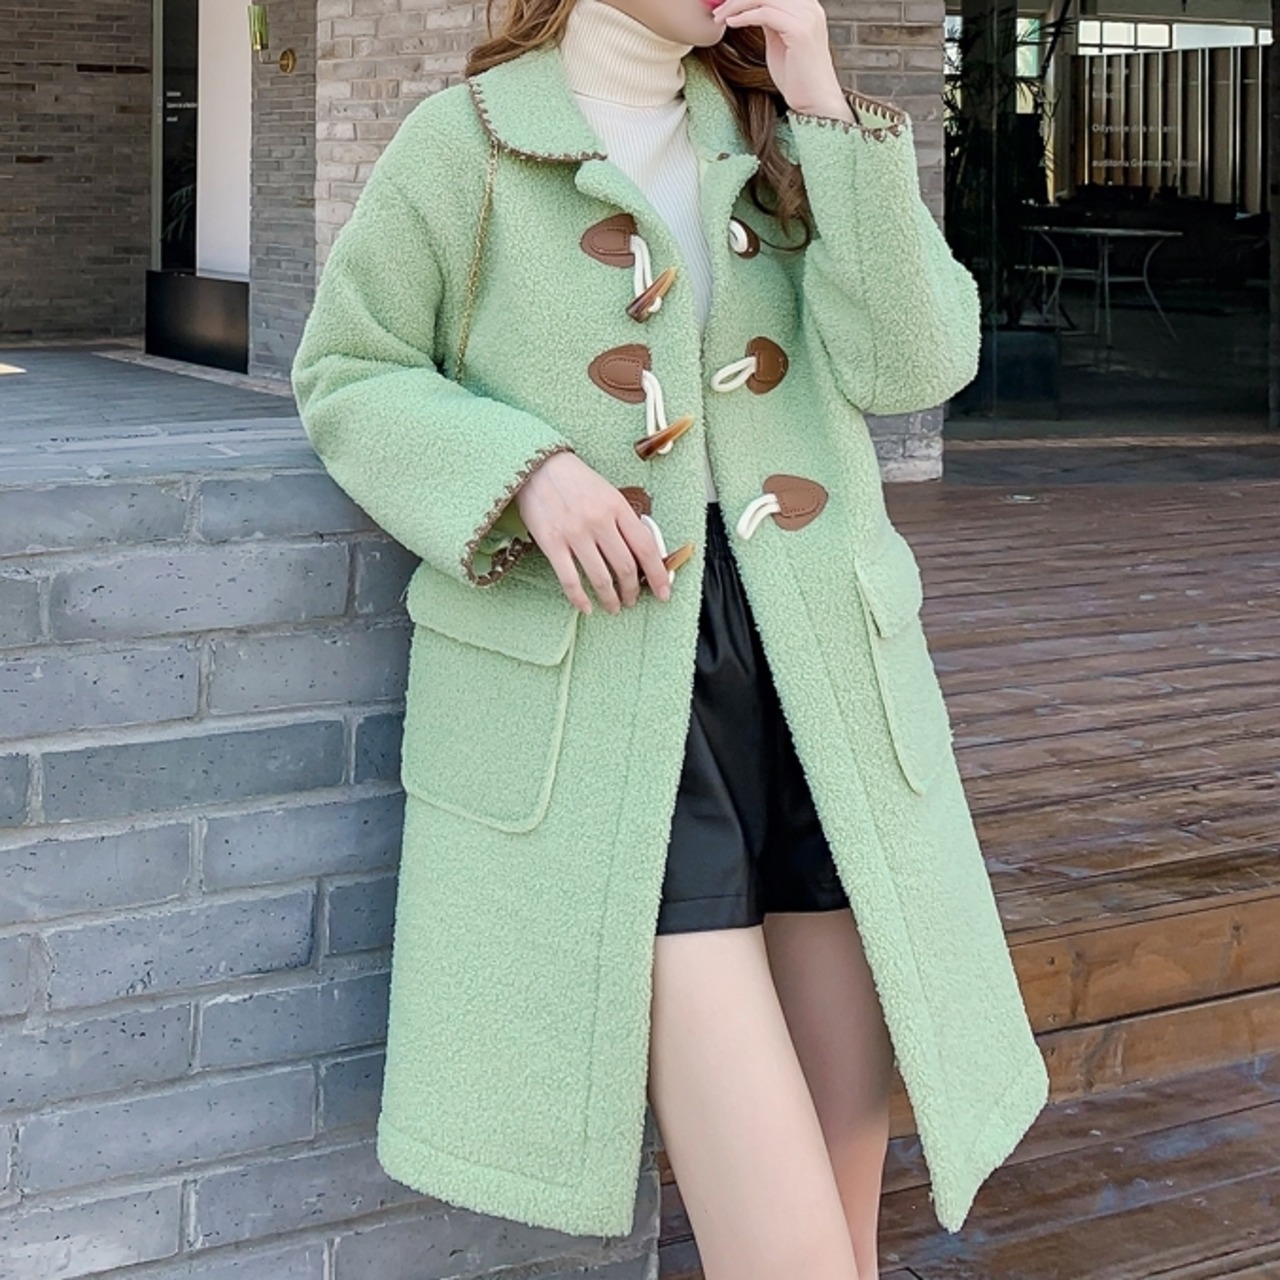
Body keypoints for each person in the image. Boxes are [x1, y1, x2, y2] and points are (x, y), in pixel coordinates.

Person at [291, 2, 1050, 1278]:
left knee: (844, 1225)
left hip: (817, 680)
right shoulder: (466, 143)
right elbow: (348, 367)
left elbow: (916, 363)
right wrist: (522, 470)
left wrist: (817, 89)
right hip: (616, 691)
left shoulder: (777, 130)